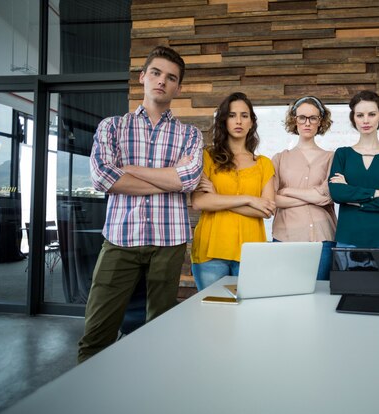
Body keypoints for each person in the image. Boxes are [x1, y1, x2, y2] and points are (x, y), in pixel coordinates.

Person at [79, 46, 203, 362]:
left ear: (178, 87)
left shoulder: (190, 134)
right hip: (120, 238)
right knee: (97, 333)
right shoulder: (112, 126)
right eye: (156, 73)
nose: (162, 81)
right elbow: (103, 178)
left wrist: (129, 169)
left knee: (161, 333)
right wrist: (168, 179)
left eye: (171, 77)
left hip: (169, 241)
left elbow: (187, 180)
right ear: (143, 76)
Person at [190, 92, 276, 290]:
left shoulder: (264, 164)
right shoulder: (207, 157)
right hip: (211, 252)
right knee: (214, 314)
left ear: (252, 122)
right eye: (232, 115)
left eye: (244, 116)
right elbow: (199, 202)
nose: (238, 121)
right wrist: (249, 199)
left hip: (251, 253)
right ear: (223, 121)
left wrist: (216, 198)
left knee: (248, 316)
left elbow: (266, 210)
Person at [328, 90, 379, 282]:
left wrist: (355, 199)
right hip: (348, 240)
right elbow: (338, 194)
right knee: (348, 298)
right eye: (360, 115)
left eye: (371, 114)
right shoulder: (342, 154)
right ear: (353, 118)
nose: (366, 120)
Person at [271, 96, 336, 280]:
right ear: (294, 120)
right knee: (286, 296)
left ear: (320, 121)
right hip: (286, 237)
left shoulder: (332, 157)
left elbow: (327, 196)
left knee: (319, 296)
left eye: (313, 118)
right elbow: (272, 199)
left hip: (323, 238)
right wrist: (313, 196)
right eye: (302, 117)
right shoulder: (279, 158)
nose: (307, 123)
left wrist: (288, 191)